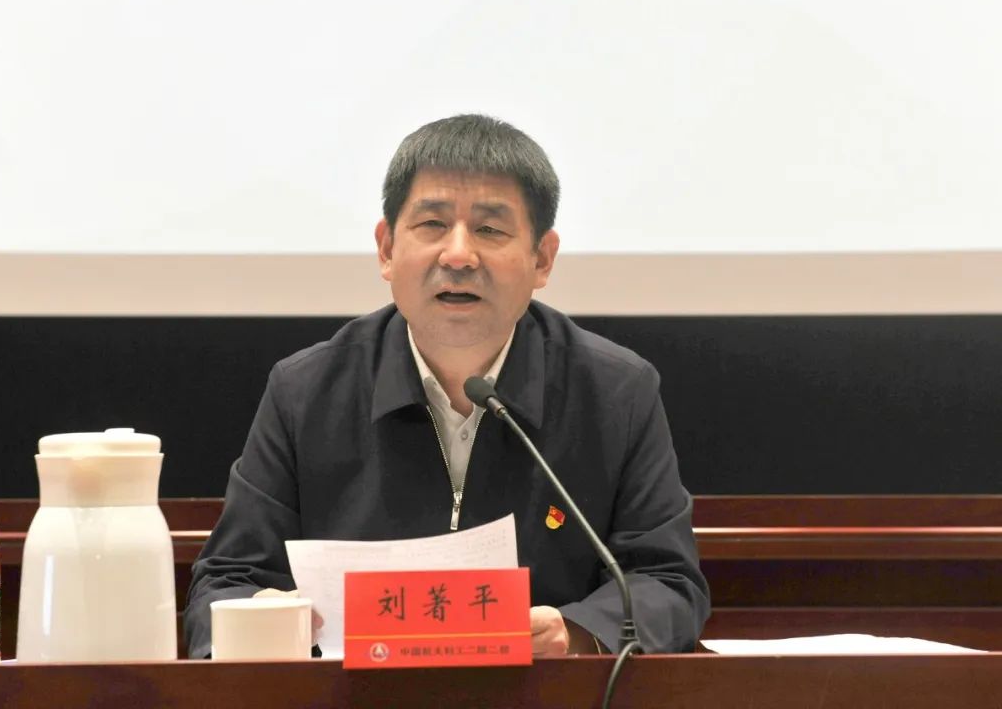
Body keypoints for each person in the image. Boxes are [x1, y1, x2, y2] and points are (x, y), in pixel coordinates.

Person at [185, 114, 710, 659]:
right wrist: (260, 617)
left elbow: (667, 582)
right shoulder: (307, 391)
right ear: (387, 249)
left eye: (490, 229)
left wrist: (575, 633)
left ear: (542, 259)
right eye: (432, 224)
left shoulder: (614, 392)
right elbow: (225, 583)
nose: (458, 255)